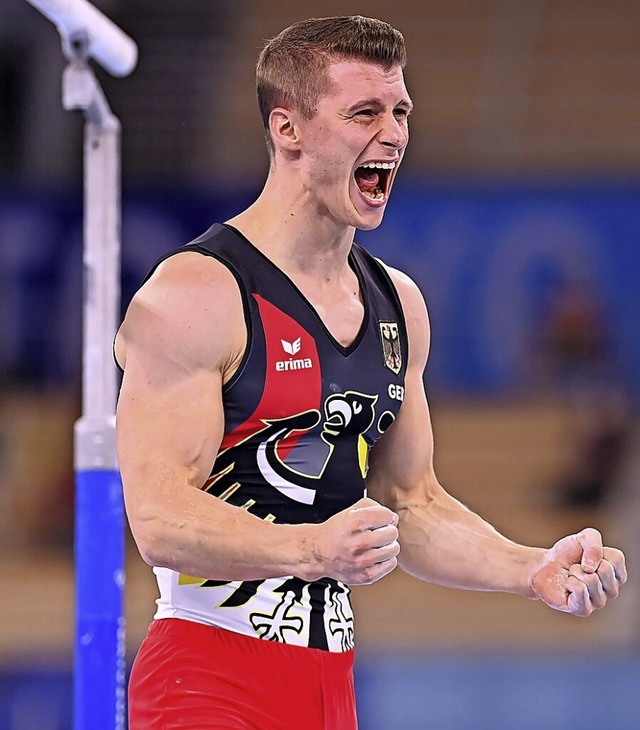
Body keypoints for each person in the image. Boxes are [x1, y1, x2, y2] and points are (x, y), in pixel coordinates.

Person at [114, 15, 628, 730]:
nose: (393, 134)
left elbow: (411, 505)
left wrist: (528, 569)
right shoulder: (196, 296)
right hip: (209, 673)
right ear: (288, 130)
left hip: (331, 685)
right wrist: (309, 547)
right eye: (365, 113)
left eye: (401, 111)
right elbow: (159, 518)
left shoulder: (399, 306)